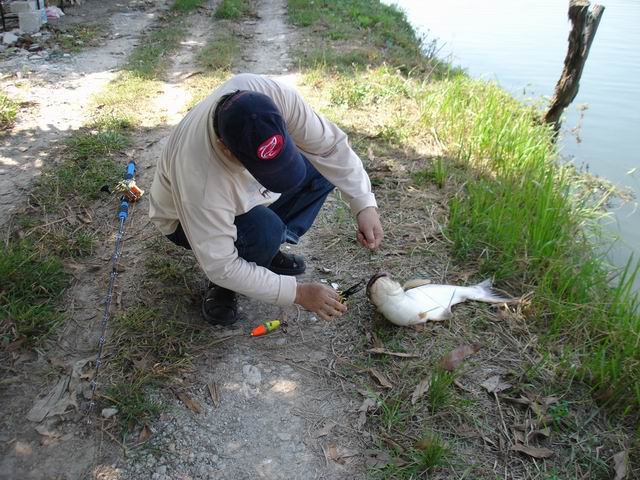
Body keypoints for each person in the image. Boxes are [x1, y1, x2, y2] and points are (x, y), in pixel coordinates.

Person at [148, 73, 383, 325]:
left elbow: (330, 148)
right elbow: (221, 264)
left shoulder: (271, 96)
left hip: (237, 193)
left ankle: (263, 254)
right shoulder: (201, 178)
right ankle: (230, 282)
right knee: (264, 231)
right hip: (183, 220)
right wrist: (297, 293)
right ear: (226, 148)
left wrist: (364, 204)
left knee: (319, 172)